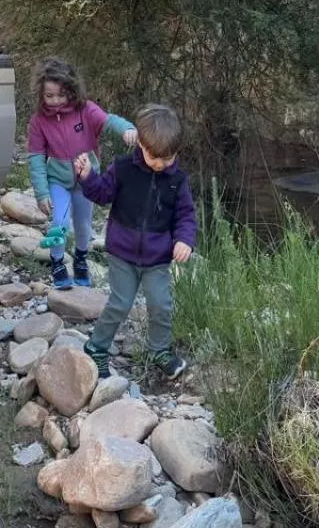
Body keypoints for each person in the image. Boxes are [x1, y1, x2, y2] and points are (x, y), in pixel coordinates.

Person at [73, 103, 195, 380]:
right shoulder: (123, 168)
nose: (161, 164)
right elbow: (103, 194)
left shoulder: (177, 180)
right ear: (140, 143)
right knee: (120, 302)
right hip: (122, 252)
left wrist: (185, 240)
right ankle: (97, 347)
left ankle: (160, 350)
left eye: (168, 158)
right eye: (155, 157)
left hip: (157, 257)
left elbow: (186, 215)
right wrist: (88, 177)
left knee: (161, 304)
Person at [26, 58, 136, 290]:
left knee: (84, 224)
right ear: (41, 94)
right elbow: (35, 157)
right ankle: (57, 262)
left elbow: (109, 121)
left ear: (72, 91)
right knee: (60, 221)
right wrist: (41, 192)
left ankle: (80, 259)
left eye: (60, 95)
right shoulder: (39, 121)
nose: (55, 101)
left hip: (86, 180)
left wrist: (126, 129)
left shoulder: (85, 110)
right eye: (49, 96)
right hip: (58, 180)